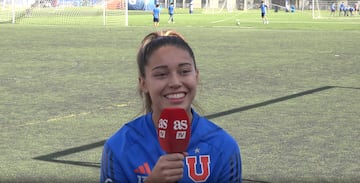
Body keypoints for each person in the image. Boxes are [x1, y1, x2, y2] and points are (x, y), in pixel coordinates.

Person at [100, 30, 242, 183]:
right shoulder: (119, 147)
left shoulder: (223, 147)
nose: (175, 82)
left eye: (184, 71)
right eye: (161, 74)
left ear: (196, 76)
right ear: (143, 83)